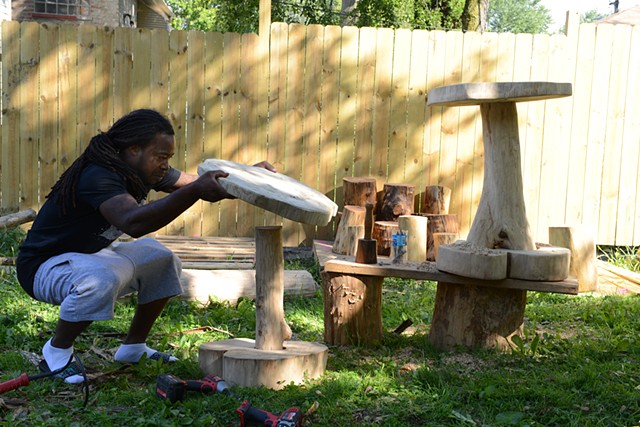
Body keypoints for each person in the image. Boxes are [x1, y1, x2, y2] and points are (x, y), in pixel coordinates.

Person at [16, 109, 275, 384]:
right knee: (100, 279)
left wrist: (246, 177)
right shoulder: (98, 176)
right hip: (42, 268)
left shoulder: (142, 170)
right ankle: (56, 352)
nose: (165, 165)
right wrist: (194, 191)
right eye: (161, 157)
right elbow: (133, 223)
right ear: (133, 149)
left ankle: (133, 348)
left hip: (87, 256)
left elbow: (197, 184)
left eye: (168, 158)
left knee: (162, 258)